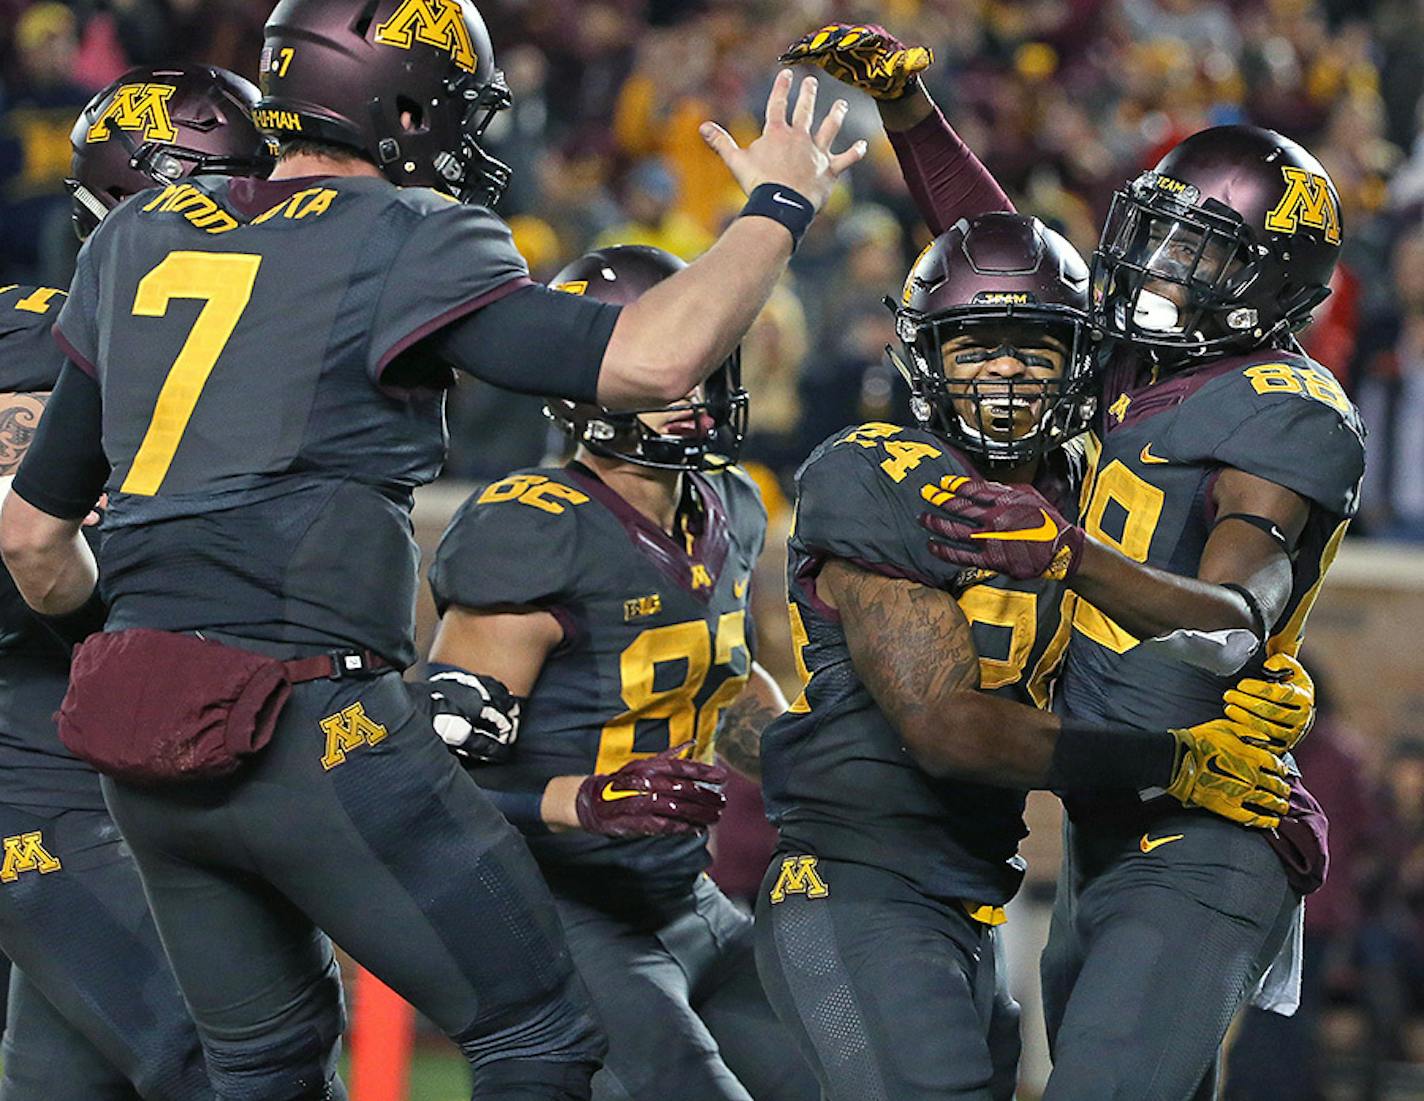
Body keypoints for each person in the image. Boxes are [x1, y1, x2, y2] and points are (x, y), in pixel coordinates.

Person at [0, 2, 864, 1098]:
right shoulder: (405, 231)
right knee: (537, 1031)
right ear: (402, 104)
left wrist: (138, 643)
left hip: (137, 741)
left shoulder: (129, 238)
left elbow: (34, 537)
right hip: (311, 718)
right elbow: (651, 362)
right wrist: (778, 203)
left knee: (254, 1068)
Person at [783, 22, 1364, 1099]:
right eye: (1157, 234)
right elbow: (1004, 265)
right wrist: (913, 113)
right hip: (1109, 821)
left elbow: (1234, 609)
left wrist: (1070, 558)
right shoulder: (1137, 370)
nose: (1154, 267)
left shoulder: (1283, 408)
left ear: (1267, 279)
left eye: (1197, 253)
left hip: (1208, 817)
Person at [424, 244, 817, 1101]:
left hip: (689, 891)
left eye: (700, 358)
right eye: (660, 360)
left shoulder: (732, 506)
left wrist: (812, 758)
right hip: (561, 911)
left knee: (847, 1076)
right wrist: (578, 799)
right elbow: (424, 784)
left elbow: (724, 684)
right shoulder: (535, 528)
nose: (688, 384)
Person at [0, 63, 277, 1101]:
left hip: (176, 788)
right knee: (223, 1063)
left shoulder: (272, 363)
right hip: (49, 783)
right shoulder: (33, 342)